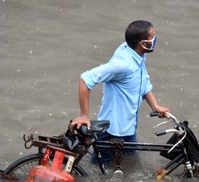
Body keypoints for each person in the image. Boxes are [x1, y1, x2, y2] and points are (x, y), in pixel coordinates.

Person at [71, 20, 170, 164]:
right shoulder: (123, 65)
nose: (155, 40)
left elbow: (143, 82)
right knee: (101, 171)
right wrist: (84, 115)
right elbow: (85, 79)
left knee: (131, 163)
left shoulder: (137, 54)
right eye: (152, 38)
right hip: (112, 131)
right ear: (143, 44)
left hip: (128, 128)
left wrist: (155, 106)